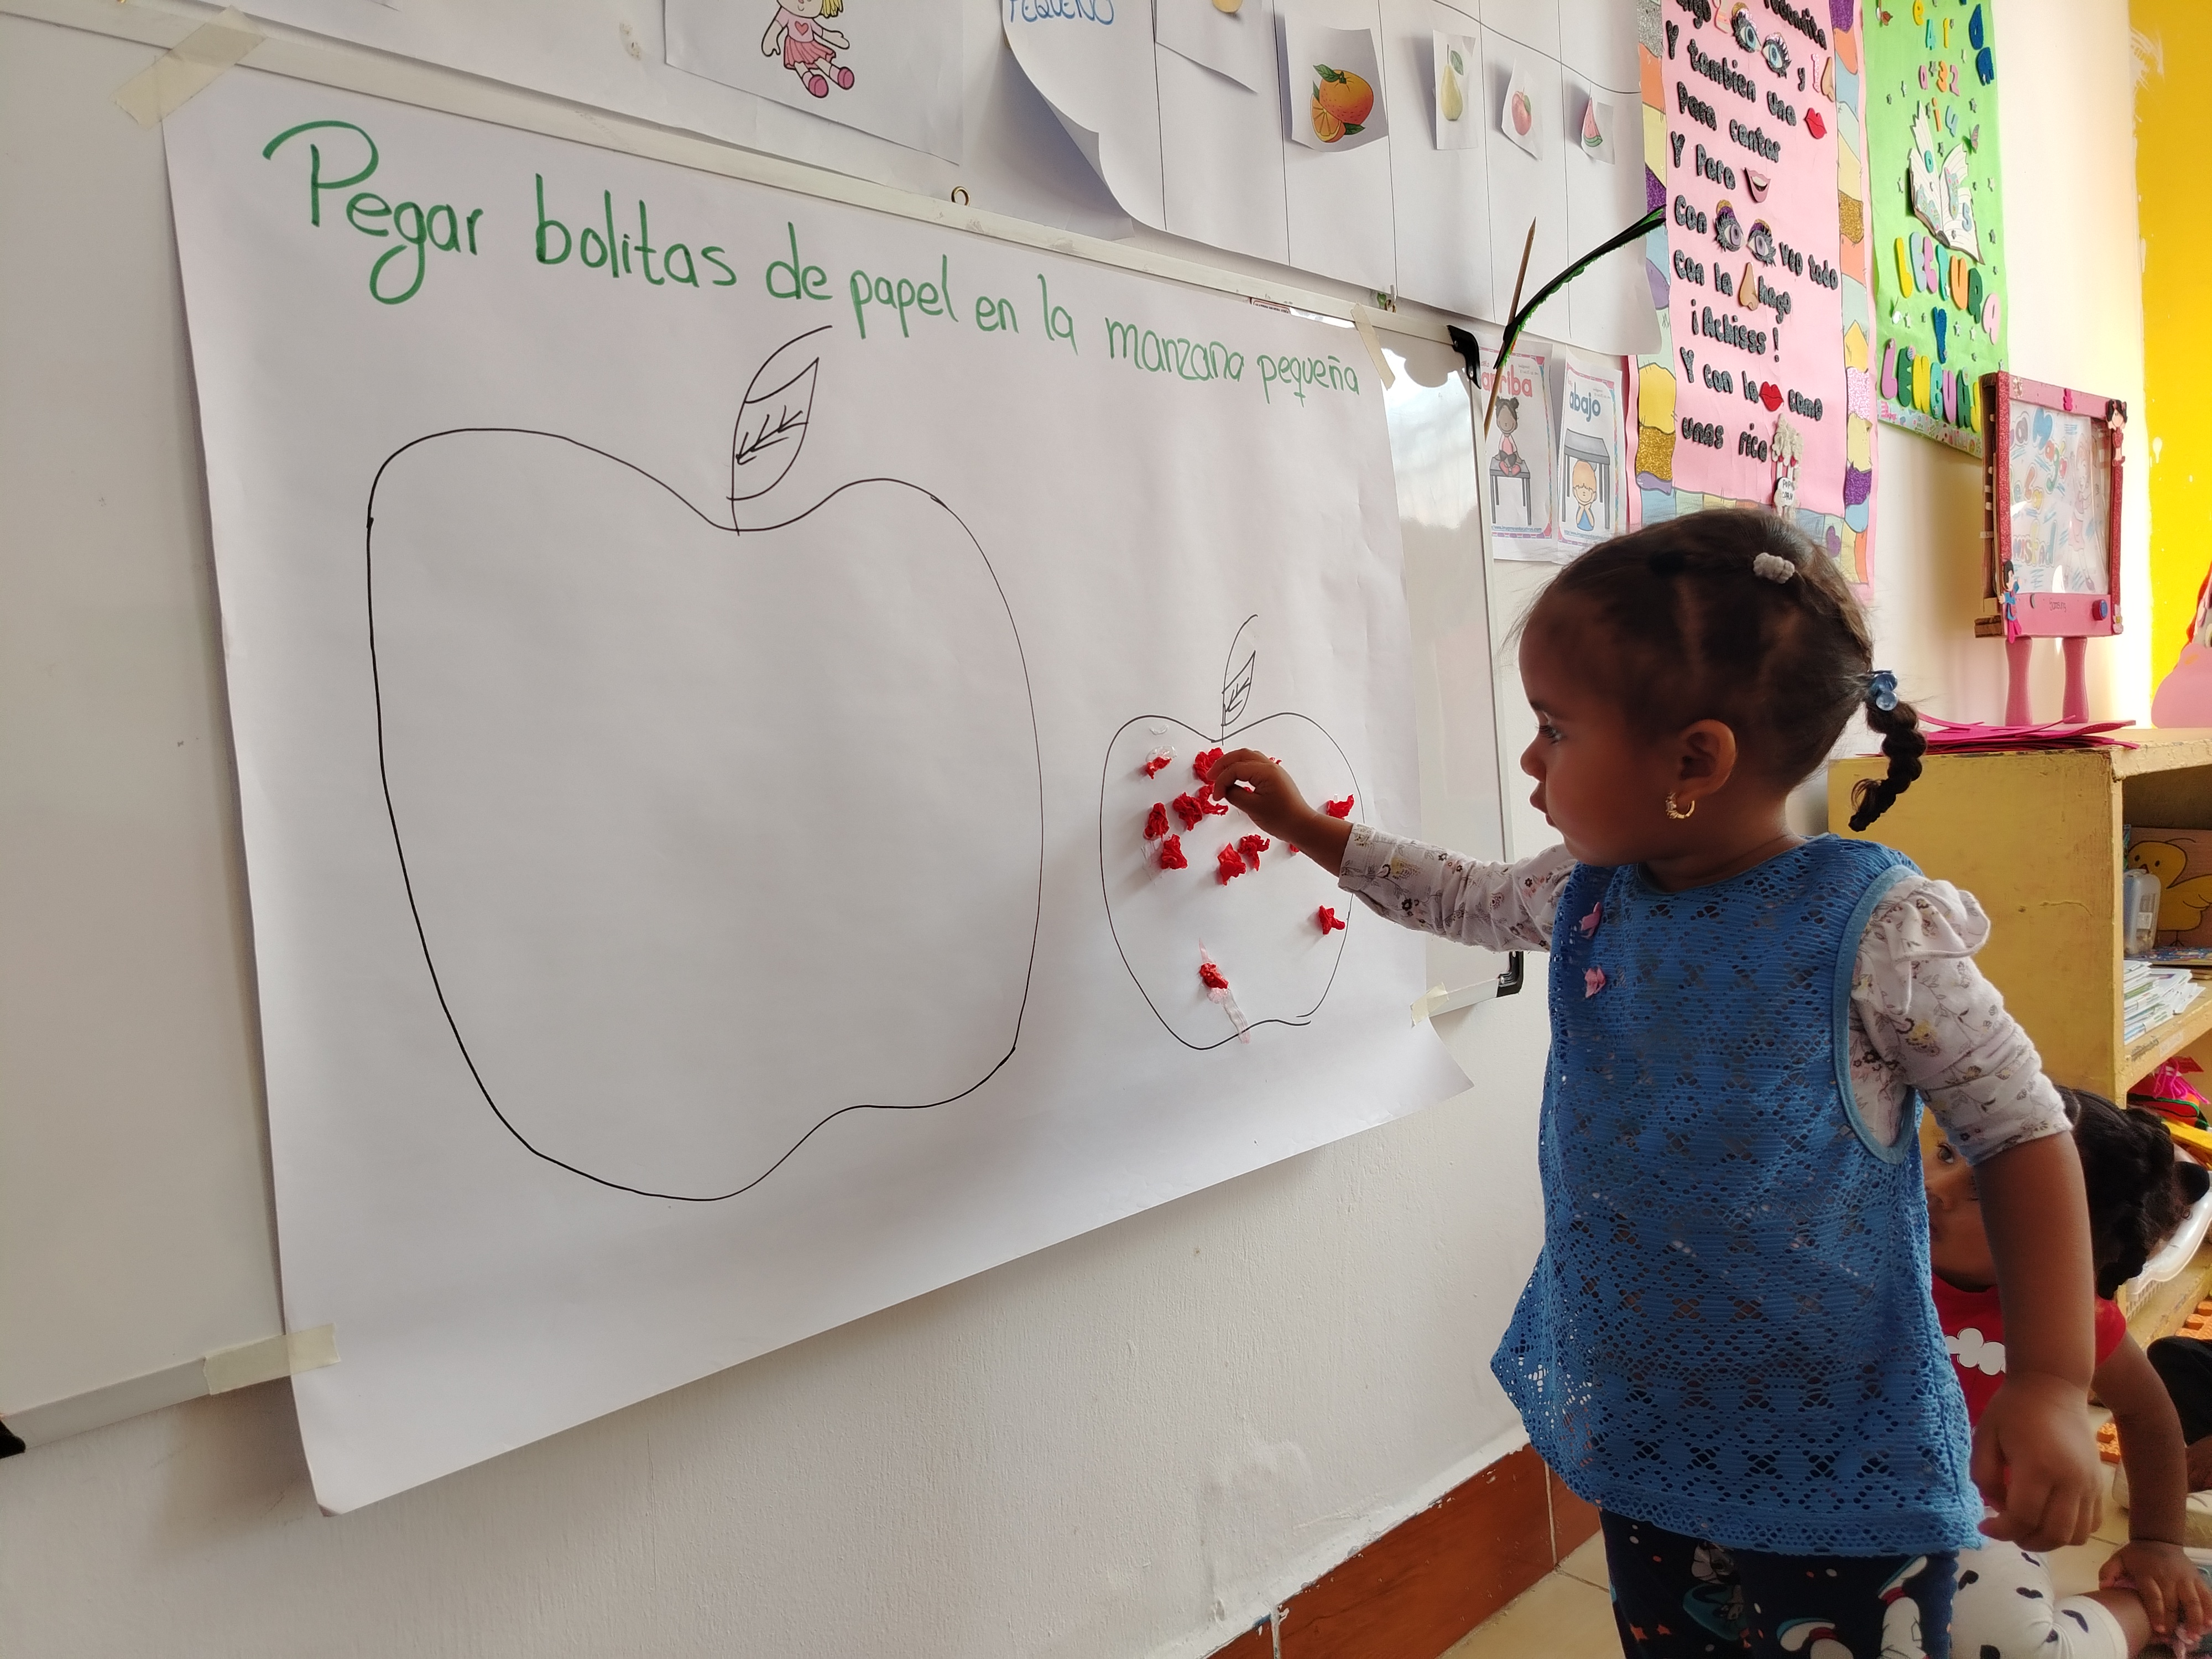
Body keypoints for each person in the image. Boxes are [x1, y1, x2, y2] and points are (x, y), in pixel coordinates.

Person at [1210, 510, 2101, 1659]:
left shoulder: (1873, 932)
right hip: (1650, 1423)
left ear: (1694, 762)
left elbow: (2021, 1133)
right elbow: (1463, 897)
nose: (1531, 762)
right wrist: (1303, 829)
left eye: (1553, 730)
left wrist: (2049, 1379)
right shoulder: (1588, 893)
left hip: (1834, 1447)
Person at [1933, 1090, 2212, 1656]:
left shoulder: (2069, 1318)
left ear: (2071, 1241)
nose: (1936, 1189)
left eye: (1985, 1193)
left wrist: (2158, 1544)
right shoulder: (1870, 1258)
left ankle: (2147, 1613)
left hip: (1974, 1518)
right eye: (1945, 1154)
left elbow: (2147, 1412)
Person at [760, 0, 852, 100]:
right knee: (800, 65)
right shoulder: (786, 13)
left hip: (811, 46)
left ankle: (838, 75)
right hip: (794, 47)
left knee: (820, 60)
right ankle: (811, 82)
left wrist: (834, 38)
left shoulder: (809, 20)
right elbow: (777, 26)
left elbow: (822, 33)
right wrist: (771, 39)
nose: (802, 1)